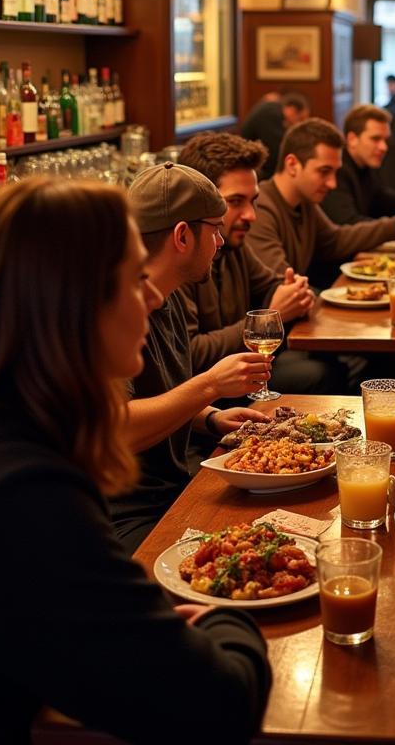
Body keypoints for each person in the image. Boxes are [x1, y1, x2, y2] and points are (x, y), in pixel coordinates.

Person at [0, 180, 271, 744]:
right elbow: (221, 706)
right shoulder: (17, 489)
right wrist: (221, 616)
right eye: (136, 279)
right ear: (73, 303)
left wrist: (142, 630)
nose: (156, 298)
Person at [109, 163, 273, 551]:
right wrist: (210, 385)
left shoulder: (172, 296)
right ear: (182, 235)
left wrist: (211, 418)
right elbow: (116, 428)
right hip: (127, 515)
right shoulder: (114, 309)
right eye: (215, 229)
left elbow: (155, 395)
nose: (220, 241)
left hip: (177, 488)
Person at [176, 132, 345, 394]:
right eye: (235, 202)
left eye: (253, 201)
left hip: (245, 375)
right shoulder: (180, 257)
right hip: (208, 397)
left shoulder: (235, 247)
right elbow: (190, 354)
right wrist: (267, 319)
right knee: (321, 372)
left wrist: (294, 291)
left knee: (334, 364)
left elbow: (272, 284)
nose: (251, 215)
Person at [246, 118, 395, 281]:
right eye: (324, 171)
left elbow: (337, 240)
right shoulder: (261, 208)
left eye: (335, 172)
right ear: (292, 164)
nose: (332, 184)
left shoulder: (305, 202)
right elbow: (281, 285)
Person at [240, 90, 310, 181]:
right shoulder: (271, 114)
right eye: (300, 119)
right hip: (249, 166)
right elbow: (277, 152)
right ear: (292, 110)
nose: (298, 124)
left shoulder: (274, 110)